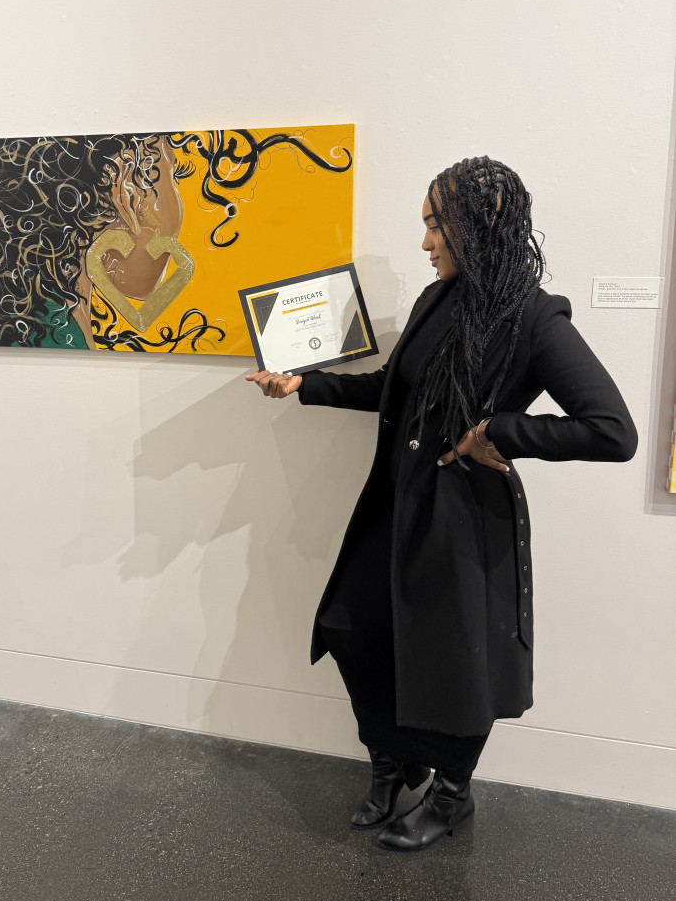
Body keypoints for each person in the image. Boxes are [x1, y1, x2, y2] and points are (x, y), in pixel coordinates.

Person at [246, 156, 637, 853]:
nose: (425, 242)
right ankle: (396, 765)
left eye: (437, 225)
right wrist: (306, 386)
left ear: (481, 223)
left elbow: (613, 431)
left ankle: (453, 795)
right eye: (426, 225)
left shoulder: (533, 316)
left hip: (462, 517)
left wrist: (501, 431)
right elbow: (393, 389)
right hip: (394, 504)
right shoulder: (436, 298)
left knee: (457, 663)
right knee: (350, 628)